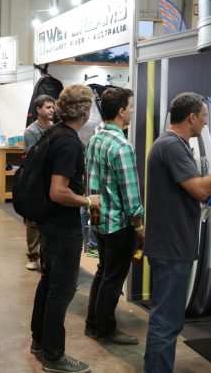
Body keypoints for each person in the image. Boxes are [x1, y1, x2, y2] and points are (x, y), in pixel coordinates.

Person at [144, 92, 211, 373]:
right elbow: (199, 189)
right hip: (171, 247)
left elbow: (197, 194)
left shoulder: (174, 145)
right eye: (204, 116)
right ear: (191, 117)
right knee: (166, 322)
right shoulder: (172, 146)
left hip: (172, 245)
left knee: (167, 320)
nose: (206, 123)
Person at [29, 84, 100, 373]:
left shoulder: (52, 133)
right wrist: (88, 200)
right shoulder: (69, 142)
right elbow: (58, 191)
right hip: (62, 226)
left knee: (49, 283)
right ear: (84, 111)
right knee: (62, 289)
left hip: (49, 224)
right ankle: (54, 355)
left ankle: (40, 342)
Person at [84, 87, 144, 345]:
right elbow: (131, 196)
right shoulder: (122, 146)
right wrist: (139, 225)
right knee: (113, 276)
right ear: (121, 111)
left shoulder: (95, 139)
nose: (132, 110)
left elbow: (92, 182)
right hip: (119, 223)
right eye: (130, 106)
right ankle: (105, 329)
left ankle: (92, 323)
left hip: (98, 217)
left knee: (103, 271)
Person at [23, 95, 55, 271]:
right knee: (33, 222)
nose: (51, 110)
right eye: (48, 107)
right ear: (38, 110)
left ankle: (46, 255)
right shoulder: (31, 132)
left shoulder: (55, 129)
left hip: (51, 182)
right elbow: (32, 158)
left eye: (52, 107)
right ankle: (32, 256)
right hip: (35, 182)